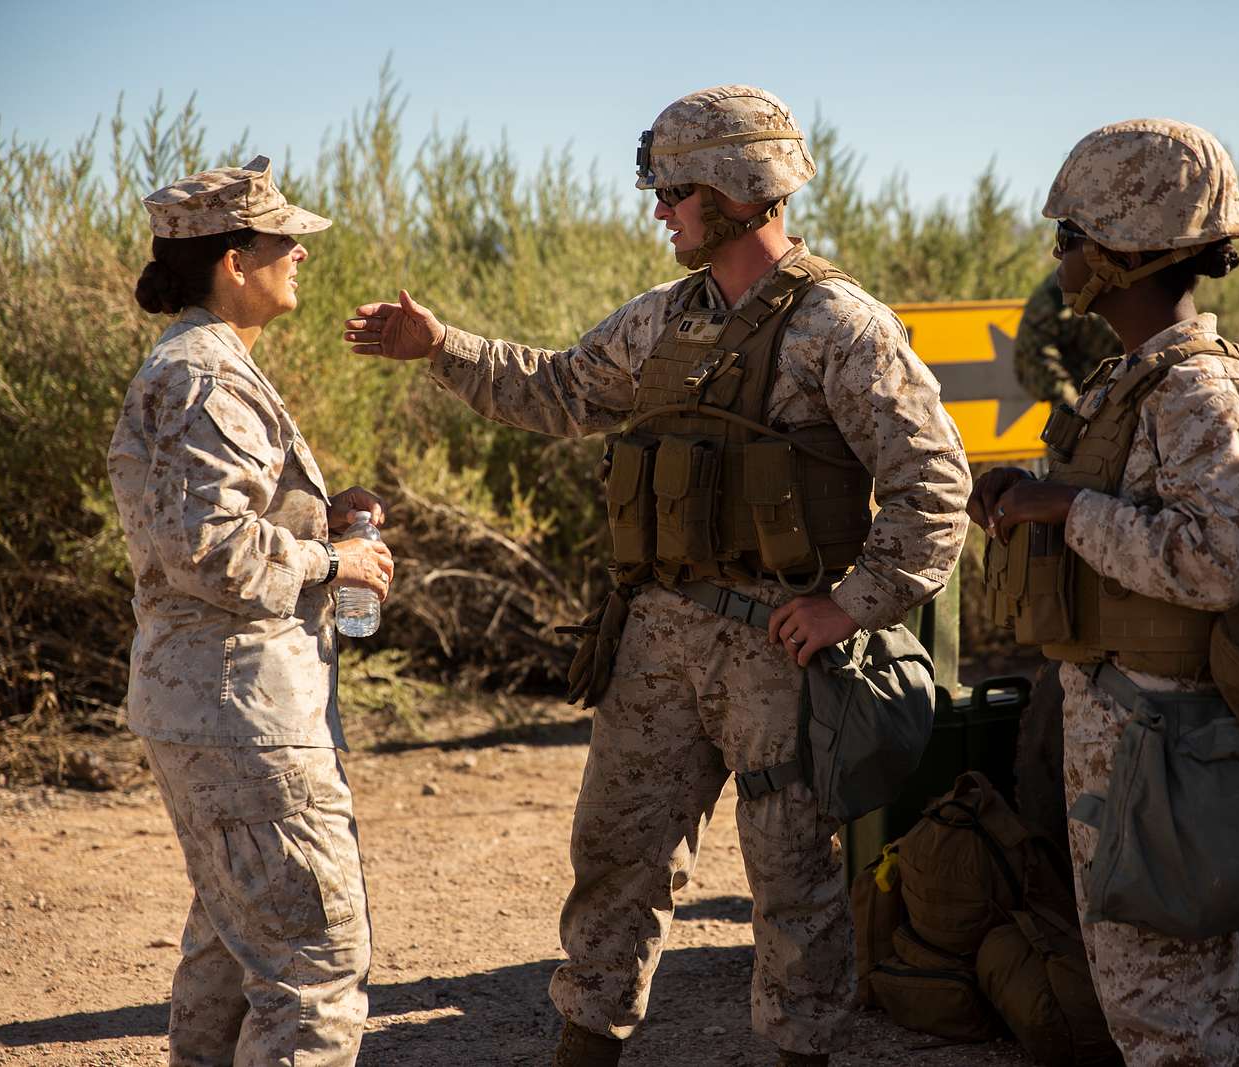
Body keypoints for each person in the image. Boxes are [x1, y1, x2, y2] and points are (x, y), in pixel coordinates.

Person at [342, 85, 971, 1066]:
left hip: (778, 649)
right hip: (657, 635)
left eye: (673, 189)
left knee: (794, 877)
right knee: (613, 858)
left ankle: (802, 1050)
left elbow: (933, 486)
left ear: (737, 187)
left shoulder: (839, 326)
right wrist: (441, 348)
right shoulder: (658, 322)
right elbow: (555, 391)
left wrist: (849, 606)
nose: (658, 210)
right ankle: (586, 1046)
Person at [969, 119, 1239, 1065]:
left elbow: (1222, 558)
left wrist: (1065, 508)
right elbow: (1138, 497)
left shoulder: (1199, 391)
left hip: (1166, 739)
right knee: (1142, 997)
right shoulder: (1138, 383)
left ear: (1129, 251)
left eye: (1071, 236)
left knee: (1170, 1014)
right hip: (1125, 722)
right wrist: (1029, 495)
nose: (1059, 256)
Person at [107, 156, 394, 1066]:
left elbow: (202, 527)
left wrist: (317, 514)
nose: (300, 255)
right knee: (316, 967)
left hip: (211, 704)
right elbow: (211, 549)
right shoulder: (208, 376)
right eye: (286, 242)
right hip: (243, 713)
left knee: (233, 951)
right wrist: (331, 556)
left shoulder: (200, 364)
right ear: (235, 260)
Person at [1012, 268, 1120, 405]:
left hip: (1081, 356)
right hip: (1043, 360)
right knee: (1076, 416)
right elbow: (1035, 357)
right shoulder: (1071, 282)